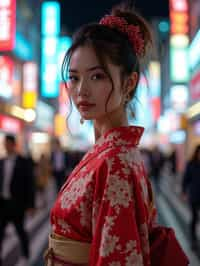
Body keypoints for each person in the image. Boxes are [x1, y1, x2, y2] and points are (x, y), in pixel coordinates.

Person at [44, 3, 186, 266]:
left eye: (97, 76)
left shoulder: (115, 161)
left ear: (129, 83)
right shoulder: (108, 154)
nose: (81, 91)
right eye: (74, 78)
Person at [0, 134, 35, 266]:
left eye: (8, 143)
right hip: (2, 204)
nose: (6, 146)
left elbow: (29, 184)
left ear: (13, 145)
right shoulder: (1, 162)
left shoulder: (23, 162)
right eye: (4, 144)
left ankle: (26, 255)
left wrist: (31, 205)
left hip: (17, 204)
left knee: (20, 231)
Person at [182, 145, 200, 251]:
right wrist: (184, 192)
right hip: (194, 196)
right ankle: (193, 239)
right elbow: (185, 179)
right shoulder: (191, 164)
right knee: (194, 218)